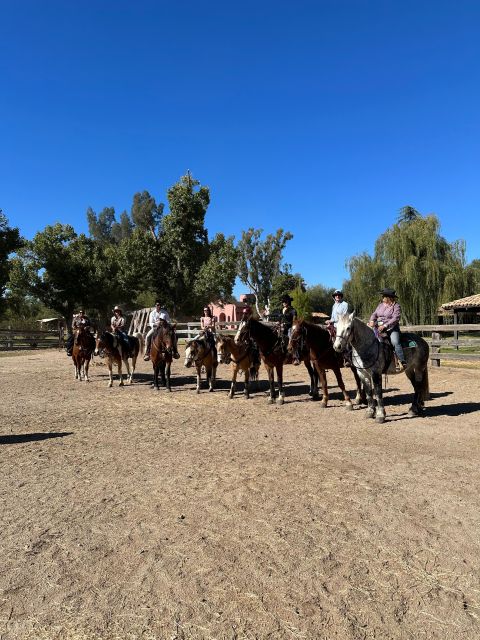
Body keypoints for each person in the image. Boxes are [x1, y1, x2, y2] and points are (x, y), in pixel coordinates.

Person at [368, 288, 407, 370]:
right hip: (378, 327)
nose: (382, 297)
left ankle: (401, 361)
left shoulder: (396, 306)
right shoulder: (380, 305)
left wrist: (385, 325)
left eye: (384, 296)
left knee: (395, 342)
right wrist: (371, 320)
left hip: (392, 328)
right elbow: (374, 314)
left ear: (389, 297)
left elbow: (396, 318)